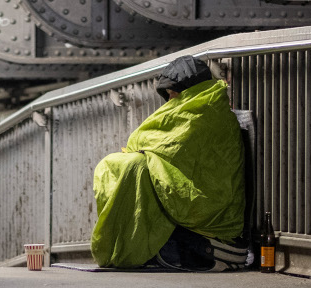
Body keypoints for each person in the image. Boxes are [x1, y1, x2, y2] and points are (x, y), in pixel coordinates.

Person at [91, 56, 246, 271]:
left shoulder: (208, 112)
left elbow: (166, 145)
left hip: (208, 203)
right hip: (189, 193)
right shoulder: (196, 110)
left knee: (136, 166)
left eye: (174, 93)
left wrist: (146, 155)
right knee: (116, 165)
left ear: (190, 89)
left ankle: (127, 247)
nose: (171, 100)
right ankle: (124, 245)